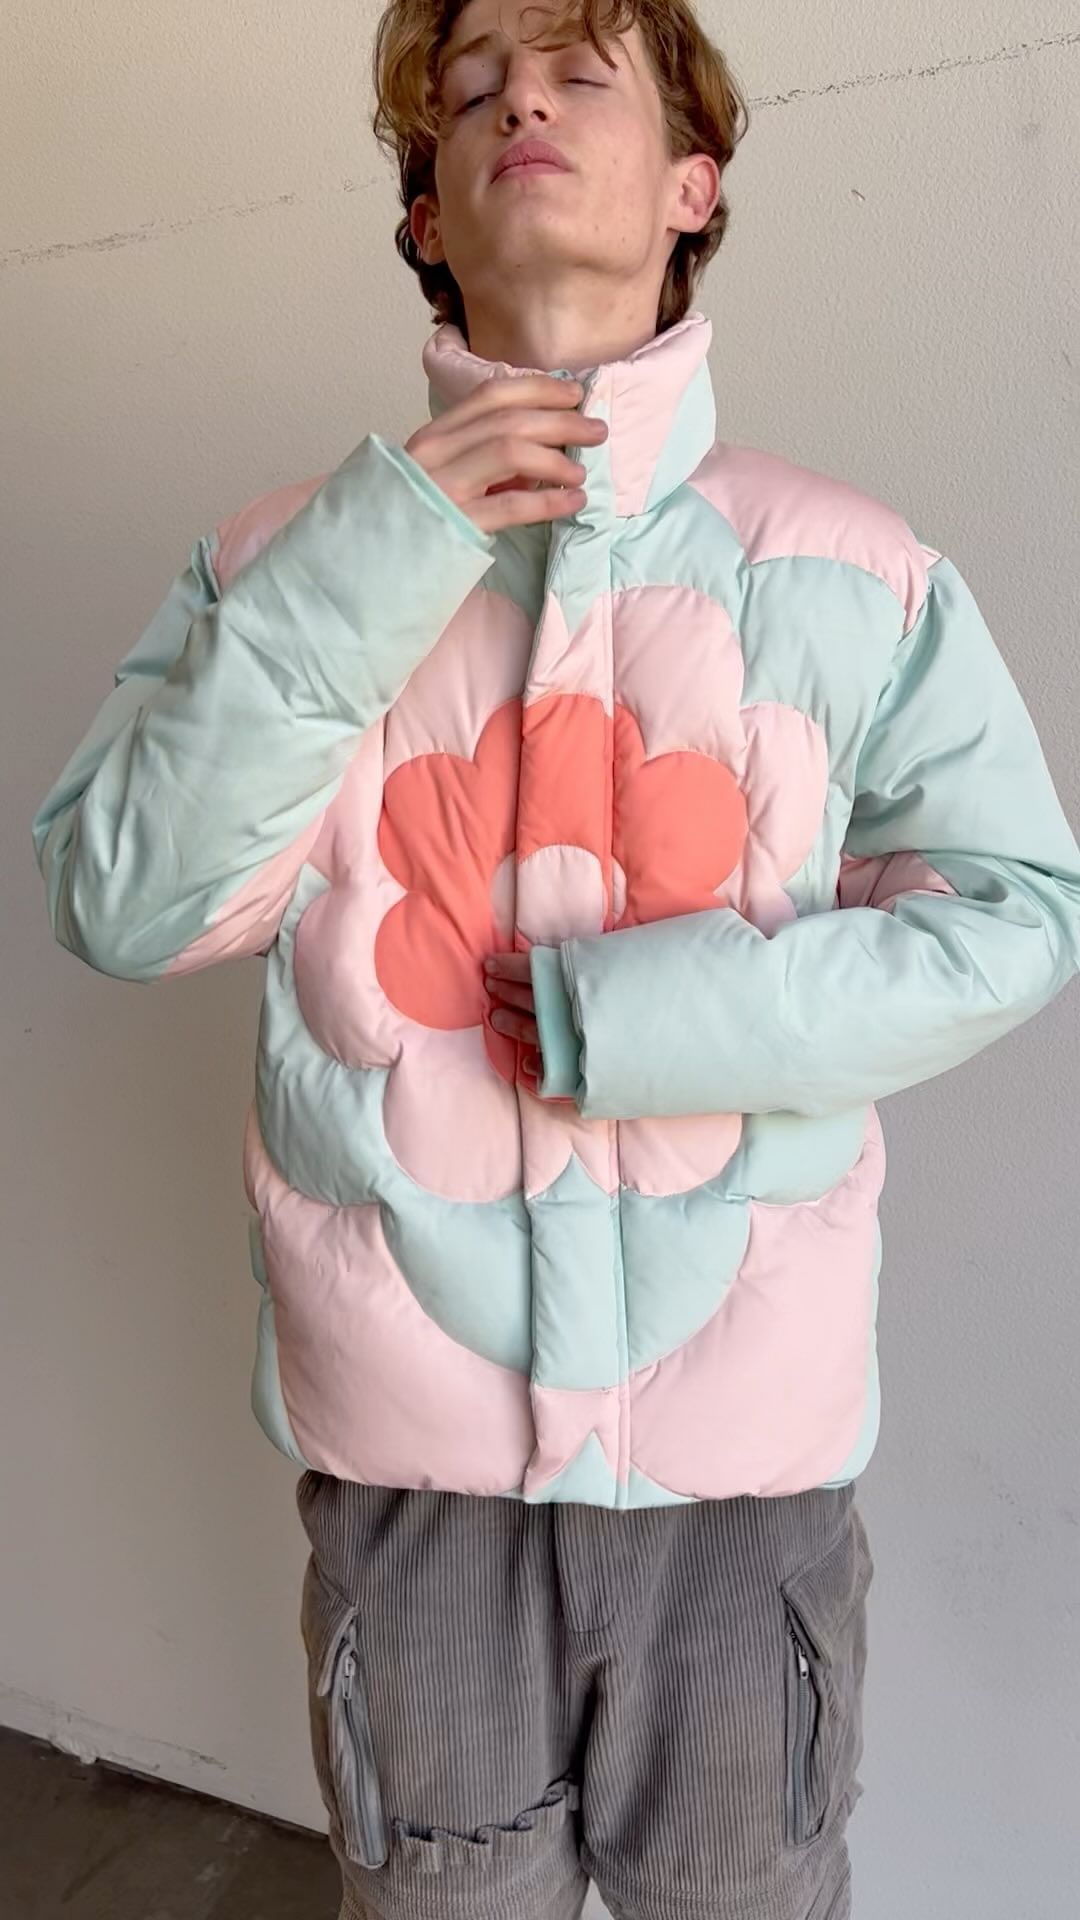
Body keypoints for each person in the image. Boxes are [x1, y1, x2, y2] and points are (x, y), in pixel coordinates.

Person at [31, 0, 1080, 1914]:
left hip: (739, 1489)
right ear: (425, 212)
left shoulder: (855, 573)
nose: (519, 93)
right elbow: (125, 898)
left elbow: (1017, 912)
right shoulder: (286, 563)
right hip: (415, 1483)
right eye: (470, 85)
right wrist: (377, 551)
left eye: (584, 70)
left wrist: (653, 1015)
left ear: (692, 185)